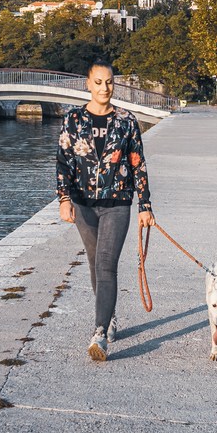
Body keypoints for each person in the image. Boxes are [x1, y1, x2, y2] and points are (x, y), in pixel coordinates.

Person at [56, 60, 155, 362]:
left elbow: (138, 164)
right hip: (82, 203)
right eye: (98, 82)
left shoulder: (127, 121)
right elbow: (63, 161)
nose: (104, 88)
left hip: (117, 202)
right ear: (88, 84)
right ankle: (109, 315)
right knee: (94, 262)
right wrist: (63, 198)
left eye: (109, 82)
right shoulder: (73, 120)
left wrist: (145, 205)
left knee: (106, 264)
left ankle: (100, 333)